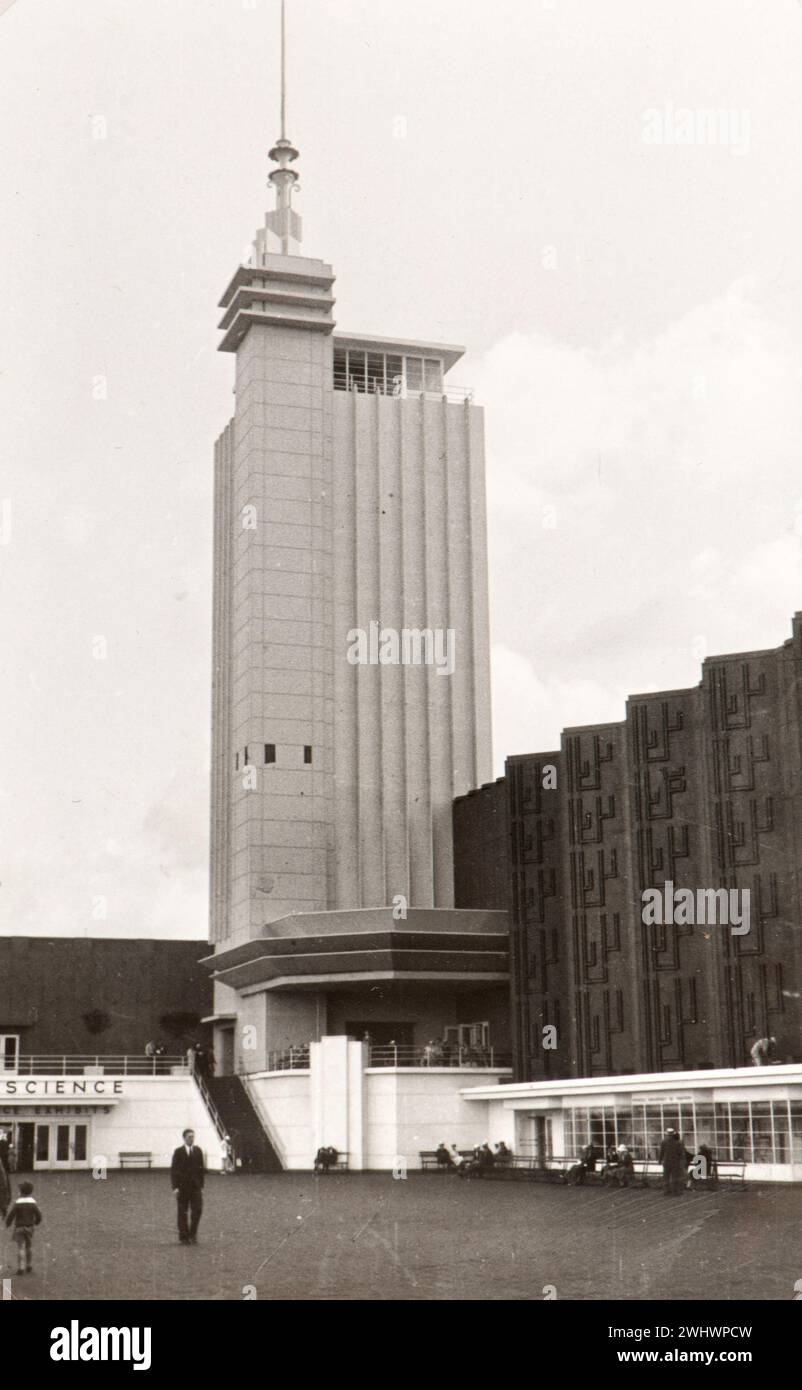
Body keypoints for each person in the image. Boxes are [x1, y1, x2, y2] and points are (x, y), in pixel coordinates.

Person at [170, 1128, 205, 1245]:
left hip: (195, 1187)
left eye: (193, 1136)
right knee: (182, 1212)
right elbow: (174, 1170)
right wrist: (175, 1187)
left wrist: (202, 1185)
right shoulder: (178, 1152)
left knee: (197, 1211)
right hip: (182, 1187)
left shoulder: (198, 1151)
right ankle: (184, 1237)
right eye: (190, 1137)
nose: (192, 1139)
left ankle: (193, 1234)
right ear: (184, 1138)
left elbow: (201, 1169)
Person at [5, 1179, 42, 1275]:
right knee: (29, 1246)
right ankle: (29, 1265)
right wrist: (36, 1222)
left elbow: (11, 1215)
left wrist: (8, 1223)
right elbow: (38, 1215)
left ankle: (21, 1267)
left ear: (21, 1191)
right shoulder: (33, 1203)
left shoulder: (18, 1203)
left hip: (19, 1227)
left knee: (20, 1247)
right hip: (30, 1227)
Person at [659, 1128, 685, 1196]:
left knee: (666, 1177)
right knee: (674, 1177)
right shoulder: (677, 1142)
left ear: (667, 1134)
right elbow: (680, 1153)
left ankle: (666, 1191)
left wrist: (660, 1160)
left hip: (666, 1162)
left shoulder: (663, 1142)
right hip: (675, 1162)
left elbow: (661, 1152)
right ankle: (675, 1191)